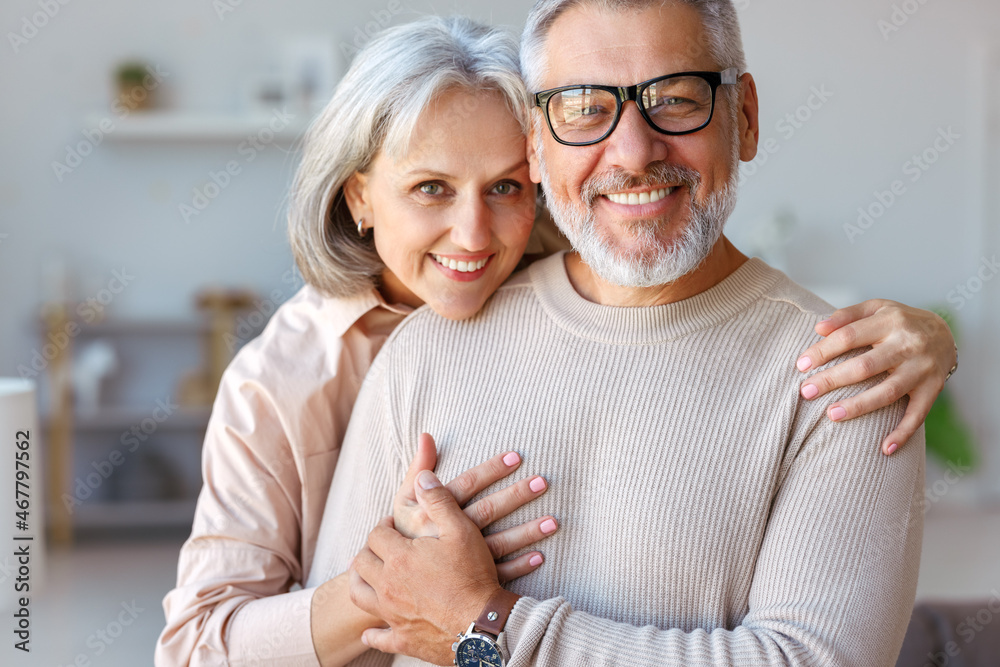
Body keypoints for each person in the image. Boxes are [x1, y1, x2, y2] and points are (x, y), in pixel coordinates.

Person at [157, 11, 956, 667]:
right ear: (544, 144)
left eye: (676, 98)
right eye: (585, 107)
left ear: (742, 117)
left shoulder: (855, 372)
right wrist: (398, 596)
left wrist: (487, 625)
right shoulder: (395, 354)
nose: (634, 151)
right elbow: (338, 644)